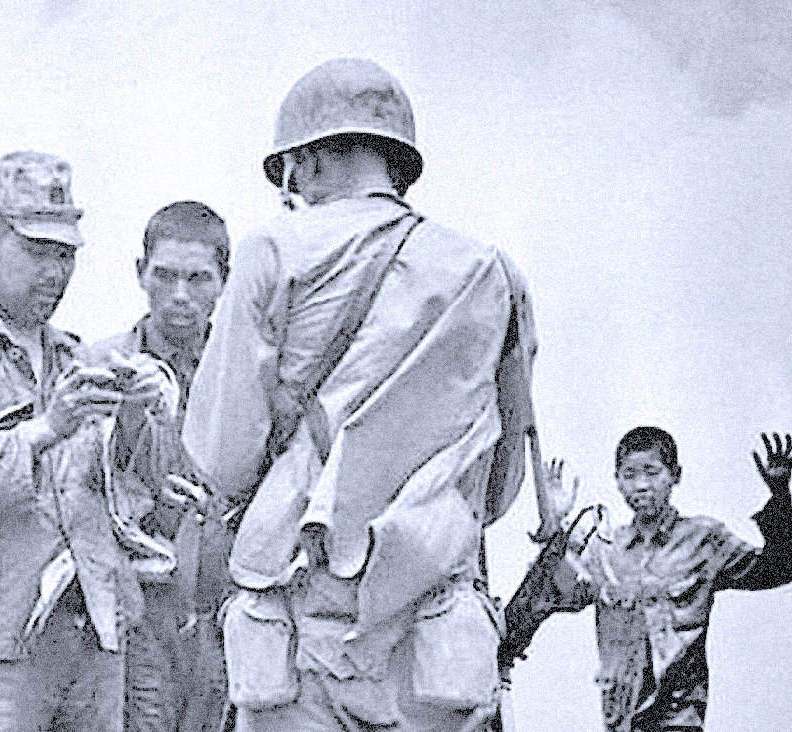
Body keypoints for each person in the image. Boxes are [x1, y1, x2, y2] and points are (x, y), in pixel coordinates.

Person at [182, 58, 537, 732]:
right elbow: (500, 488)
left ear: (304, 162)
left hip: (303, 615)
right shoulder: (489, 271)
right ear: (399, 162)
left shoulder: (272, 251)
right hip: (432, 637)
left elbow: (222, 456)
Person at [0, 151, 178, 732]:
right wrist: (46, 428)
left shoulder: (78, 357)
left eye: (65, 254)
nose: (54, 272)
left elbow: (130, 491)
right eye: (37, 250)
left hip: (93, 631)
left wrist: (138, 414)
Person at [500, 429, 792, 732]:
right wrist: (557, 530)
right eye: (629, 475)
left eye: (652, 472)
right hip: (622, 721)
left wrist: (780, 493)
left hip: (679, 719)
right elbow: (545, 598)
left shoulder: (703, 540)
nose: (641, 485)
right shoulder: (606, 551)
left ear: (675, 476)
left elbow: (778, 569)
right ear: (617, 480)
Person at [89, 201, 234, 732]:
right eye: (164, 276)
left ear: (224, 282)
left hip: (226, 609)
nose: (179, 295)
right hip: (133, 614)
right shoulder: (97, 369)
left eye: (198, 279)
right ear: (140, 274)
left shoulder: (250, 379)